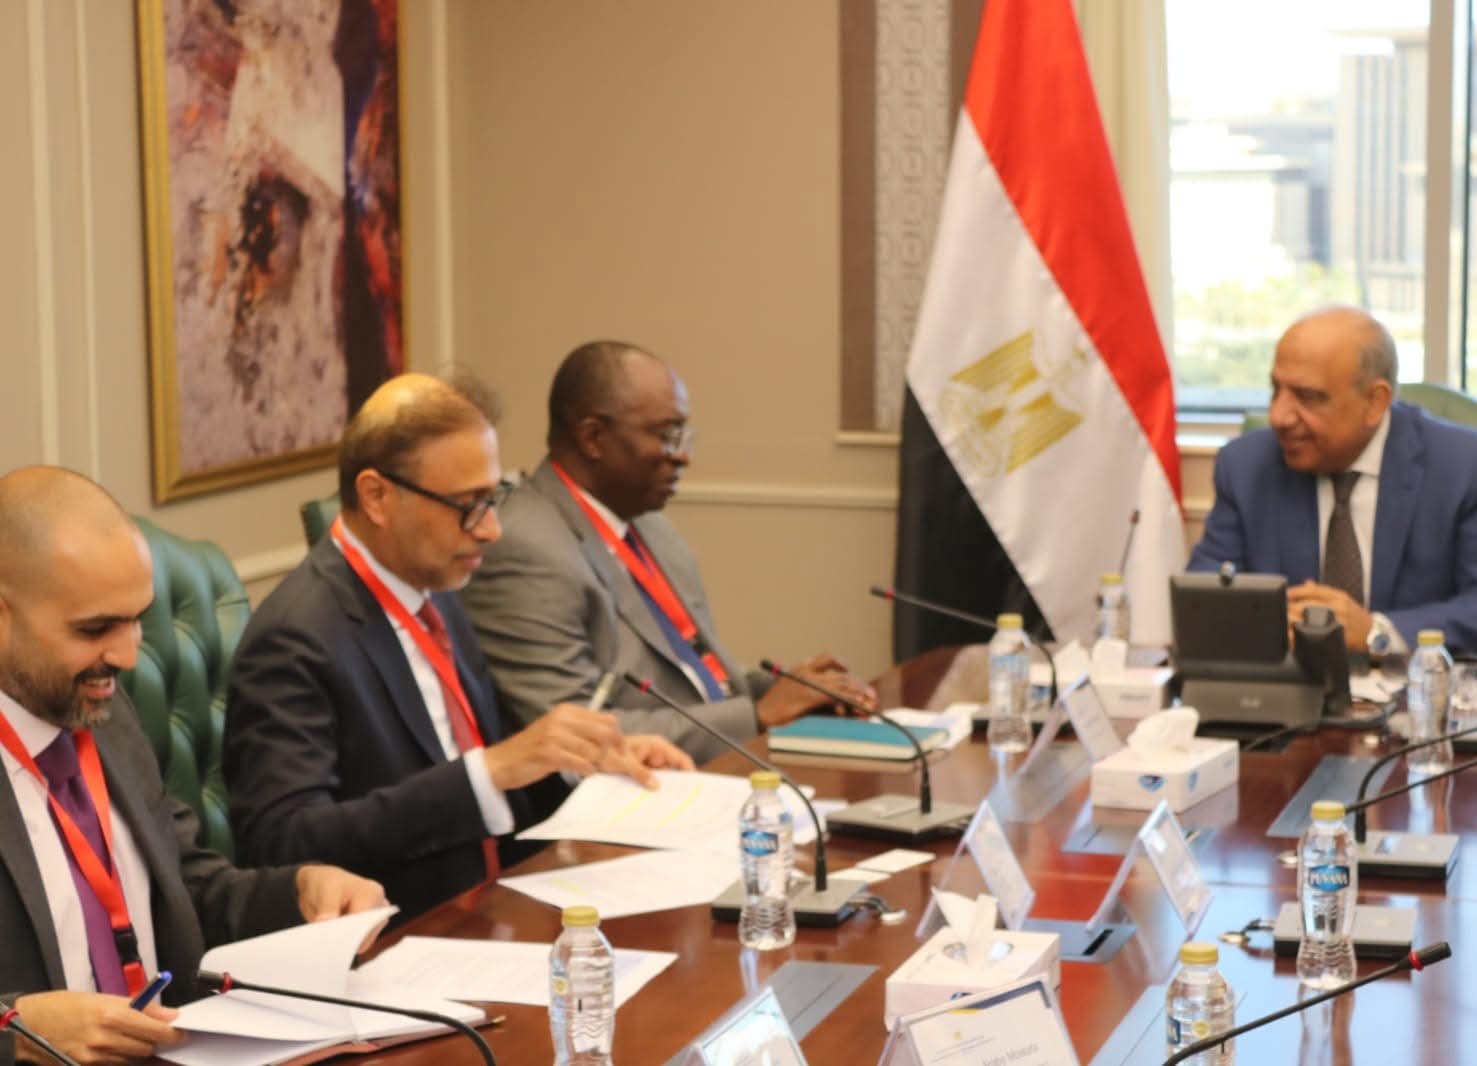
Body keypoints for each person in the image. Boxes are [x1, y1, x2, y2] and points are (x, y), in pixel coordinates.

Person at [224, 373, 691, 921]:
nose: (491, 529)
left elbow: (481, 773)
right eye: (468, 505)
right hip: (405, 931)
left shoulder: (435, 590)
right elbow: (283, 842)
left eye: (494, 498)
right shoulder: (296, 635)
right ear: (377, 497)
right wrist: (487, 772)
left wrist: (580, 763)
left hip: (497, 906)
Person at [0, 467, 387, 1064]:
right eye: (95, 629)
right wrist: (15, 1031)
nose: (127, 655)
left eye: (137, 619)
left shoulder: (105, 714)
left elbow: (185, 889)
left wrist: (299, 891)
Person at [460, 341, 877, 764]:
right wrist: (756, 715)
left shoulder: (650, 526)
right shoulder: (525, 546)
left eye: (683, 435)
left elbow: (698, 676)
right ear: (593, 438)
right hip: (621, 792)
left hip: (704, 766)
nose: (683, 456)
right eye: (666, 435)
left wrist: (788, 691)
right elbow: (572, 735)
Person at [1188, 306, 1477, 658]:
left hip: (1413, 686)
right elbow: (1202, 595)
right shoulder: (1246, 466)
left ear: (1375, 403)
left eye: (1308, 397)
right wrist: (1268, 624)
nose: (1279, 416)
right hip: (1289, 685)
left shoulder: (1464, 467)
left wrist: (1375, 632)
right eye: (1276, 390)